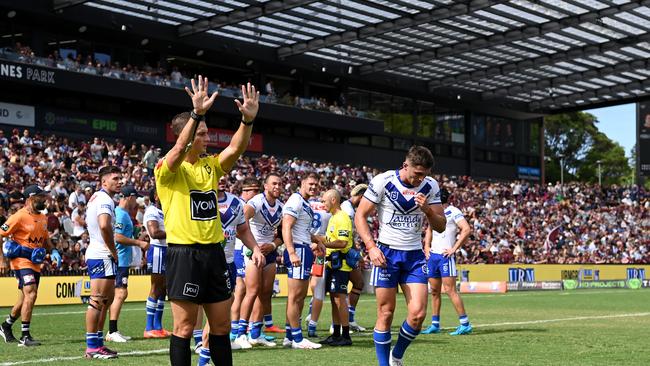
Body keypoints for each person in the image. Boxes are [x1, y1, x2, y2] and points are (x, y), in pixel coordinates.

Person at [155, 76, 264, 366]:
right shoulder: (166, 171)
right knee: (184, 327)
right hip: (184, 254)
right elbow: (177, 151)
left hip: (214, 253)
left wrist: (248, 121)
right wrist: (196, 113)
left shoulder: (209, 166)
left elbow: (235, 149)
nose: (207, 138)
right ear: (188, 136)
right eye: (201, 134)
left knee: (221, 327)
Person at [355, 146, 446, 366]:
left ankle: (397, 356)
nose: (420, 179)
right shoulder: (383, 181)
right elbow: (360, 215)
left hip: (414, 256)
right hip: (386, 253)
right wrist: (371, 247)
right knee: (386, 313)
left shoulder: (430, 186)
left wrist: (428, 211)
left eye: (424, 174)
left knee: (418, 315)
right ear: (406, 166)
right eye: (417, 174)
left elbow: (441, 226)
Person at [198, 176, 268, 365]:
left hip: (227, 264)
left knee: (220, 314)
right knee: (200, 315)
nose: (221, 180)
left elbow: (243, 230)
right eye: (216, 176)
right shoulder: (197, 199)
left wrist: (255, 249)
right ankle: (202, 352)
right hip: (204, 261)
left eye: (224, 177)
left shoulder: (236, 202)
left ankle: (204, 357)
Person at [235, 173, 284, 349]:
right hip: (252, 252)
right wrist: (252, 246)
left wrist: (272, 244)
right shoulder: (255, 203)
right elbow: (240, 223)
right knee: (252, 291)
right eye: (274, 183)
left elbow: (283, 235)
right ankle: (240, 334)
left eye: (279, 183)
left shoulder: (281, 207)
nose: (277, 186)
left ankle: (255, 334)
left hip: (269, 253)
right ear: (266, 186)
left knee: (265, 293)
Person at [0, 185, 52, 346]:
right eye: (40, 197)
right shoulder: (19, 216)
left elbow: (45, 239)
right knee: (31, 293)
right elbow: (1, 233)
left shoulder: (43, 217)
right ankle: (25, 335)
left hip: (35, 262)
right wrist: (2, 260)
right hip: (21, 261)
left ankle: (6, 326)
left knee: (24, 299)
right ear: (30, 199)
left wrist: (54, 251)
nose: (44, 200)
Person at [282, 173, 326, 350]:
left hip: (304, 248)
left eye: (316, 185)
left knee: (298, 297)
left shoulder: (305, 203)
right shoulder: (296, 199)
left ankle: (289, 336)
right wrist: (292, 252)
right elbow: (286, 226)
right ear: (302, 183)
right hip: (298, 250)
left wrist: (317, 241)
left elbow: (303, 230)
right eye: (311, 184)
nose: (314, 187)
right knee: (296, 297)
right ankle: (298, 339)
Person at [84, 165, 123, 359]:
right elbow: (104, 226)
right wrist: (113, 250)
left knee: (104, 302)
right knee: (97, 301)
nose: (120, 181)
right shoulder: (105, 199)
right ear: (104, 181)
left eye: (120, 178)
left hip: (98, 252)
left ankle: (98, 344)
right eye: (115, 178)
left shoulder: (97, 198)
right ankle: (92, 346)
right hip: (102, 254)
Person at [422, 188, 473, 336]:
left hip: (445, 256)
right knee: (435, 292)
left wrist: (453, 249)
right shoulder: (433, 211)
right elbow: (429, 230)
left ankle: (465, 324)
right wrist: (426, 246)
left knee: (450, 290)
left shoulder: (453, 210)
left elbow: (466, 229)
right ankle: (435, 324)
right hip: (433, 257)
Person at [106, 186, 150, 343]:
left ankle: (113, 330)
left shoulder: (123, 214)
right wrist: (139, 243)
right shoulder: (121, 214)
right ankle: (111, 331)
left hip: (122, 260)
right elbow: (118, 237)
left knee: (120, 294)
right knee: (120, 294)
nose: (135, 201)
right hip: (120, 261)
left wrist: (138, 235)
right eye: (134, 198)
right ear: (129, 197)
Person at [317, 189, 353, 347]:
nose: (322, 203)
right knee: (334, 299)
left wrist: (322, 243)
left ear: (333, 200)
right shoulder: (333, 218)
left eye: (324, 200)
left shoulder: (342, 217)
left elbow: (342, 243)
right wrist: (315, 239)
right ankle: (336, 334)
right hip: (332, 263)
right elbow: (330, 238)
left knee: (340, 299)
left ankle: (346, 335)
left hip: (341, 265)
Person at [229, 177, 260, 343]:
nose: (257, 194)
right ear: (246, 191)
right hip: (239, 250)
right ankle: (235, 330)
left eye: (258, 190)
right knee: (241, 290)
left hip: (242, 249)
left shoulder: (246, 204)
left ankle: (240, 328)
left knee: (243, 290)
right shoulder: (240, 204)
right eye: (254, 190)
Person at [143, 188, 170, 338]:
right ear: (156, 196)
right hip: (158, 250)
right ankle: (148, 327)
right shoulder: (152, 211)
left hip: (168, 250)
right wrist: (176, 230)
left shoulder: (166, 210)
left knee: (163, 289)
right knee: (155, 287)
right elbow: (154, 233)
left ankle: (158, 326)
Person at [340, 183, 368, 332]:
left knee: (358, 283)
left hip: (346, 250)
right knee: (341, 288)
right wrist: (356, 254)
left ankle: (349, 319)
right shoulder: (347, 210)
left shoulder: (348, 208)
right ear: (362, 196)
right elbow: (346, 236)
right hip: (342, 252)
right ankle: (340, 321)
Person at [304, 191, 331, 338]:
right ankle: (312, 324)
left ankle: (296, 325)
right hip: (319, 250)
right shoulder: (328, 209)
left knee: (300, 290)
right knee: (318, 289)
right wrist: (318, 242)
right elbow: (331, 235)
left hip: (303, 247)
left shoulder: (304, 203)